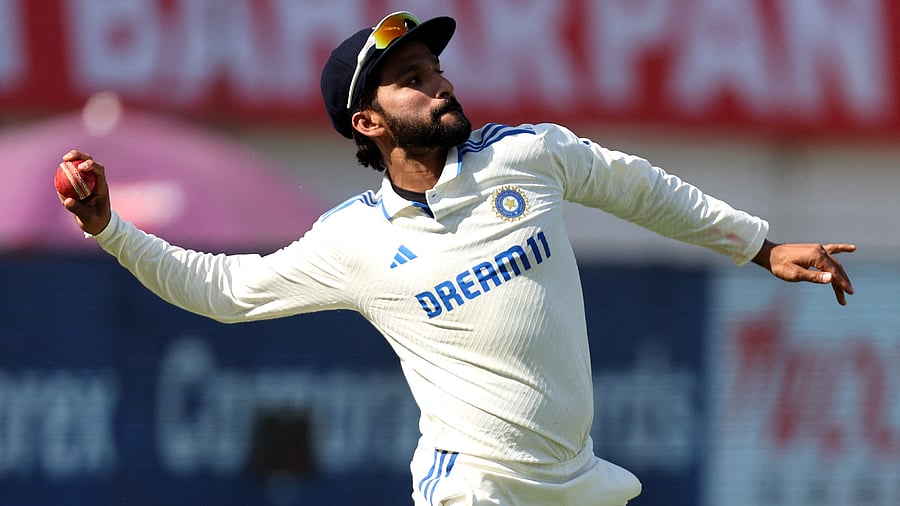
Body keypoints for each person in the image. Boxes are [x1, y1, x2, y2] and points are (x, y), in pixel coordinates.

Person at [58, 10, 855, 506]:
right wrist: (111, 228)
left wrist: (759, 245)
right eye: (411, 80)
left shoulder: (528, 155)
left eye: (435, 68)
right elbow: (226, 291)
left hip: (578, 481)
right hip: (473, 490)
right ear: (368, 124)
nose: (438, 85)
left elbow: (640, 190)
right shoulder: (354, 240)